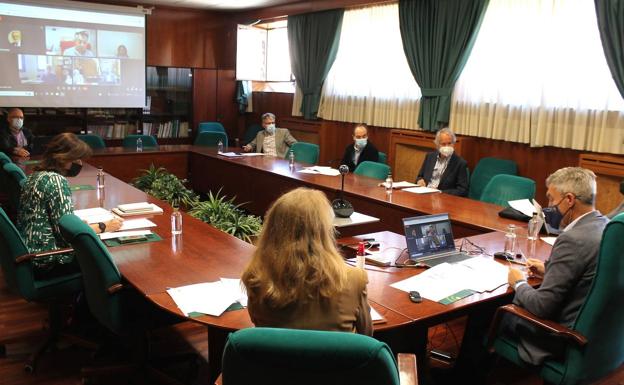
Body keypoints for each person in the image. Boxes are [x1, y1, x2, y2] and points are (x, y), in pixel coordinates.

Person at [242, 187, 372, 335]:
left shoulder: (256, 278)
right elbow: (367, 337)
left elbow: (258, 327)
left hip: (277, 358)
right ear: (324, 231)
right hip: (335, 358)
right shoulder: (354, 279)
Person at [17, 133, 123, 279]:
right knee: (114, 259)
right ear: (63, 157)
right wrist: (104, 226)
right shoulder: (57, 181)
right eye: (76, 159)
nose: (79, 164)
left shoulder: (35, 176)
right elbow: (68, 235)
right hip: (49, 260)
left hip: (30, 255)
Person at [415, 128, 468, 196]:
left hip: (443, 198)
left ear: (454, 144)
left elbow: (462, 190)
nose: (447, 147)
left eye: (449, 143)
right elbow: (420, 176)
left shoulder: (460, 163)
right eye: (443, 144)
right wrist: (420, 180)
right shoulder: (430, 157)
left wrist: (440, 192)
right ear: (437, 145)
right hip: (424, 194)